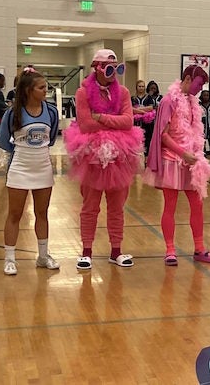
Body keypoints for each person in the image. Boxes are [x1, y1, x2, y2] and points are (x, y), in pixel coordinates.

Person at [63, 50, 142, 270]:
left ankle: (116, 250)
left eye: (118, 68)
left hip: (119, 155)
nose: (114, 73)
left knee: (117, 206)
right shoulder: (82, 93)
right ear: (97, 68)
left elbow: (128, 121)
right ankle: (86, 251)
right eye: (109, 68)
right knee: (90, 206)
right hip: (92, 156)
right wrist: (111, 121)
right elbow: (86, 125)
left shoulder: (123, 92)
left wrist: (102, 118)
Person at [144, 66, 210, 266]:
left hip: (190, 161)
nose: (201, 88)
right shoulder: (169, 101)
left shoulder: (193, 103)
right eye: (199, 84)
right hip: (173, 159)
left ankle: (199, 248)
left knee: (197, 205)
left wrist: (195, 153)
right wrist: (182, 152)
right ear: (187, 79)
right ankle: (170, 249)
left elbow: (195, 132)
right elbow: (163, 134)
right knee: (170, 205)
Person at [0, 69, 60, 275]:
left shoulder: (51, 111)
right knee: (14, 214)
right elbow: (5, 143)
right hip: (20, 168)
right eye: (42, 88)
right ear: (28, 90)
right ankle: (10, 259)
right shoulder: (12, 113)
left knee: (42, 213)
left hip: (43, 167)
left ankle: (43, 256)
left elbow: (50, 141)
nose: (46, 91)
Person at [131, 79, 155, 155]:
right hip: (136, 123)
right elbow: (131, 109)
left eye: (143, 86)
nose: (141, 88)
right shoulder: (133, 98)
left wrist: (137, 109)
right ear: (136, 87)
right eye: (139, 86)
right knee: (136, 140)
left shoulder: (149, 97)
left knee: (147, 140)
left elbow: (150, 108)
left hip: (147, 123)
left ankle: (146, 159)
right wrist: (142, 111)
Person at [143, 81, 162, 156]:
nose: (153, 90)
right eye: (151, 88)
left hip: (158, 119)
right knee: (149, 138)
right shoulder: (146, 97)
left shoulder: (160, 97)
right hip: (149, 122)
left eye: (154, 88)